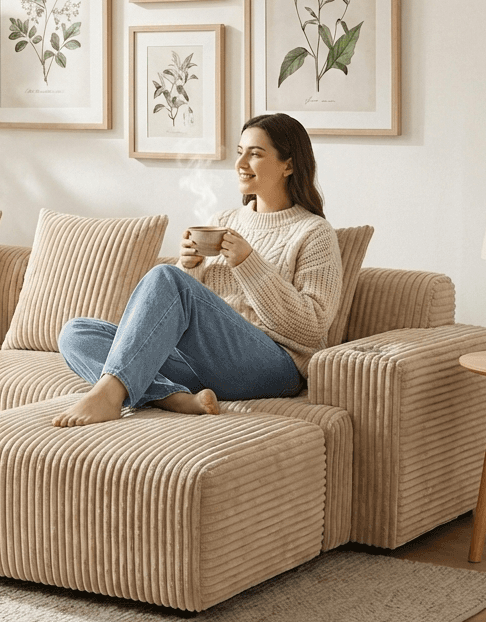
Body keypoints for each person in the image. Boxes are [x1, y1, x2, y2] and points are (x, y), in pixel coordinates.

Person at [52, 112, 343, 428]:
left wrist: (249, 264)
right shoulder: (224, 220)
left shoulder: (313, 232)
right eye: (239, 152)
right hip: (205, 364)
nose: (241, 162)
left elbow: (313, 328)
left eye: (255, 154)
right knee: (76, 333)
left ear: (288, 165)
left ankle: (109, 394)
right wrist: (189, 267)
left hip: (274, 367)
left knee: (167, 277)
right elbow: (190, 309)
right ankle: (171, 397)